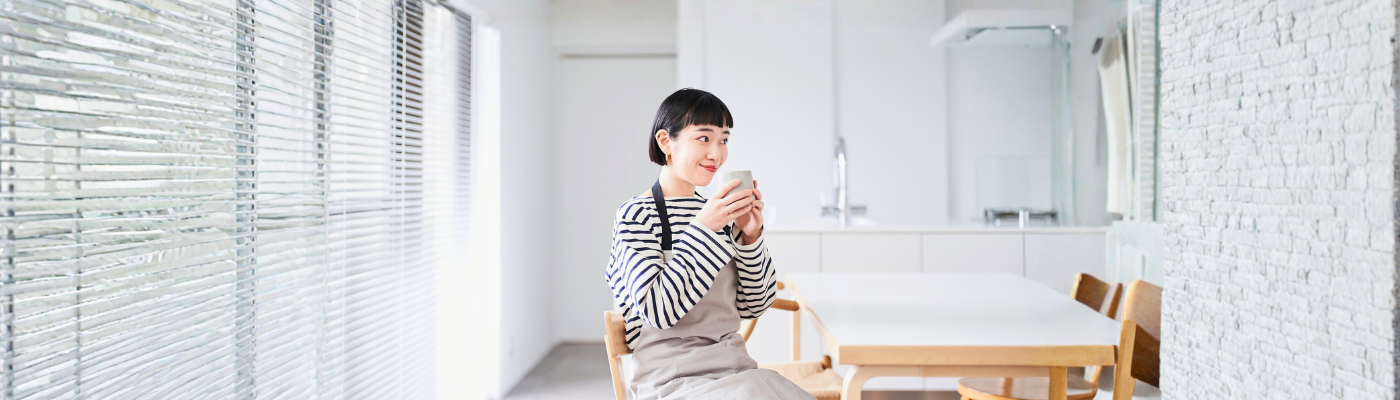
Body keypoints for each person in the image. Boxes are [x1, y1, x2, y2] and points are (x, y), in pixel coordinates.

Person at [605, 89, 814, 400]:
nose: (717, 153)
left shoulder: (720, 213)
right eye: (704, 138)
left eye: (724, 140)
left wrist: (750, 238)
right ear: (666, 142)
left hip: (736, 370)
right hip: (671, 380)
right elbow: (658, 311)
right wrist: (704, 227)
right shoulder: (636, 215)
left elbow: (756, 304)